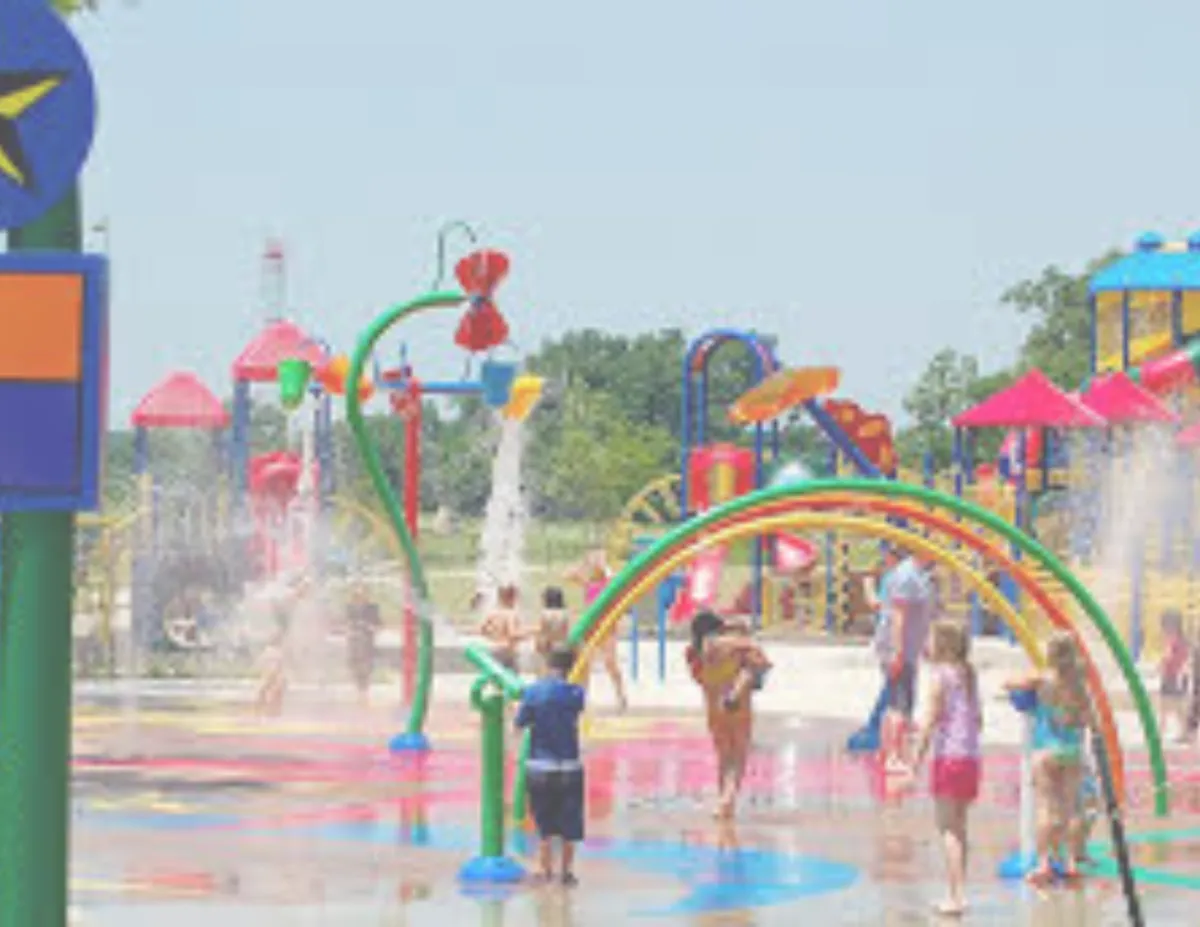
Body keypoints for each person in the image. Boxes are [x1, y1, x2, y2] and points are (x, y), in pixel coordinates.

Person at [907, 619, 982, 918]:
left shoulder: (940, 677)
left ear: (942, 645)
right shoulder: (968, 675)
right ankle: (958, 892)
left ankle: (957, 896)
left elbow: (929, 723)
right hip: (971, 758)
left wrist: (914, 761)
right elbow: (978, 720)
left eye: (930, 638)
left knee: (947, 828)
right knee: (960, 828)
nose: (926, 644)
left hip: (949, 758)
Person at [1006, 631, 1090, 885]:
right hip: (1072, 750)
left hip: (1046, 750)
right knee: (1072, 807)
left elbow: (1009, 683)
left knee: (1045, 806)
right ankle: (1071, 861)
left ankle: (1043, 863)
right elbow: (1088, 719)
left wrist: (1026, 679)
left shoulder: (1044, 679)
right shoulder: (1079, 683)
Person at [686, 610, 772, 819]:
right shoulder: (732, 648)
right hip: (738, 705)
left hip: (713, 707)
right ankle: (728, 799)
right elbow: (758, 655)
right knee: (739, 755)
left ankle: (723, 801)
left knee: (724, 757)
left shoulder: (693, 653)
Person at [515, 643, 587, 886]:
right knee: (570, 823)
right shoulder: (576, 694)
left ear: (547, 665)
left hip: (540, 765)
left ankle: (544, 870)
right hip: (569, 765)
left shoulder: (533, 692)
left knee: (543, 822)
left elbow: (520, 723)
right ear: (571, 667)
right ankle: (566, 872)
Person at [877, 546, 936, 771]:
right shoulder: (907, 575)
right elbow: (898, 615)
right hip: (900, 647)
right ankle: (893, 756)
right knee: (900, 703)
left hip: (908, 647)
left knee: (897, 697)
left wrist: (923, 644)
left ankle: (887, 753)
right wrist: (898, 651)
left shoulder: (918, 574)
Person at [568, 550, 628, 712]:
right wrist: (585, 564)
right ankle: (583, 697)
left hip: (607, 627)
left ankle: (620, 694)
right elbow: (568, 574)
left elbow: (618, 580)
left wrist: (604, 565)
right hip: (591, 627)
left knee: (610, 662)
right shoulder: (589, 584)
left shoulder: (609, 583)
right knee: (585, 663)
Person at [345, 583, 382, 708]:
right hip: (354, 640)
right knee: (355, 666)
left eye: (362, 594)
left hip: (366, 640)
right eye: (357, 594)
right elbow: (346, 623)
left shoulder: (372, 608)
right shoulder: (350, 607)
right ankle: (359, 693)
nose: (360, 597)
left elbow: (378, 625)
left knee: (366, 667)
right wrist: (349, 630)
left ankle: (364, 694)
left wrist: (370, 627)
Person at [1159, 610, 1191, 742]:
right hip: (1179, 676)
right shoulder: (1182, 640)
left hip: (1173, 676)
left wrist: (1161, 665)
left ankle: (1161, 732)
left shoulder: (1172, 639)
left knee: (1167, 704)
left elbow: (1168, 656)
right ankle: (1183, 732)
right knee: (1176, 705)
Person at [479, 584, 523, 672]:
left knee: (498, 677)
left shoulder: (493, 613)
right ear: (512, 599)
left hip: (494, 650)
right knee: (513, 680)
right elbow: (512, 633)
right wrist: (527, 634)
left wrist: (493, 635)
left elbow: (482, 630)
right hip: (507, 652)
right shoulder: (511, 614)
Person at [255, 621, 288, 717]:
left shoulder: (273, 652)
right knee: (267, 697)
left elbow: (262, 664)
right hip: (272, 677)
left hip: (273, 678)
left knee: (268, 697)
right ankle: (267, 715)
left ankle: (268, 715)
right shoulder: (275, 652)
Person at [535, 586, 571, 670]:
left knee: (547, 669)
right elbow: (567, 630)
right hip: (563, 645)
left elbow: (543, 631)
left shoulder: (544, 613)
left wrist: (538, 645)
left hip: (549, 646)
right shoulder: (565, 613)